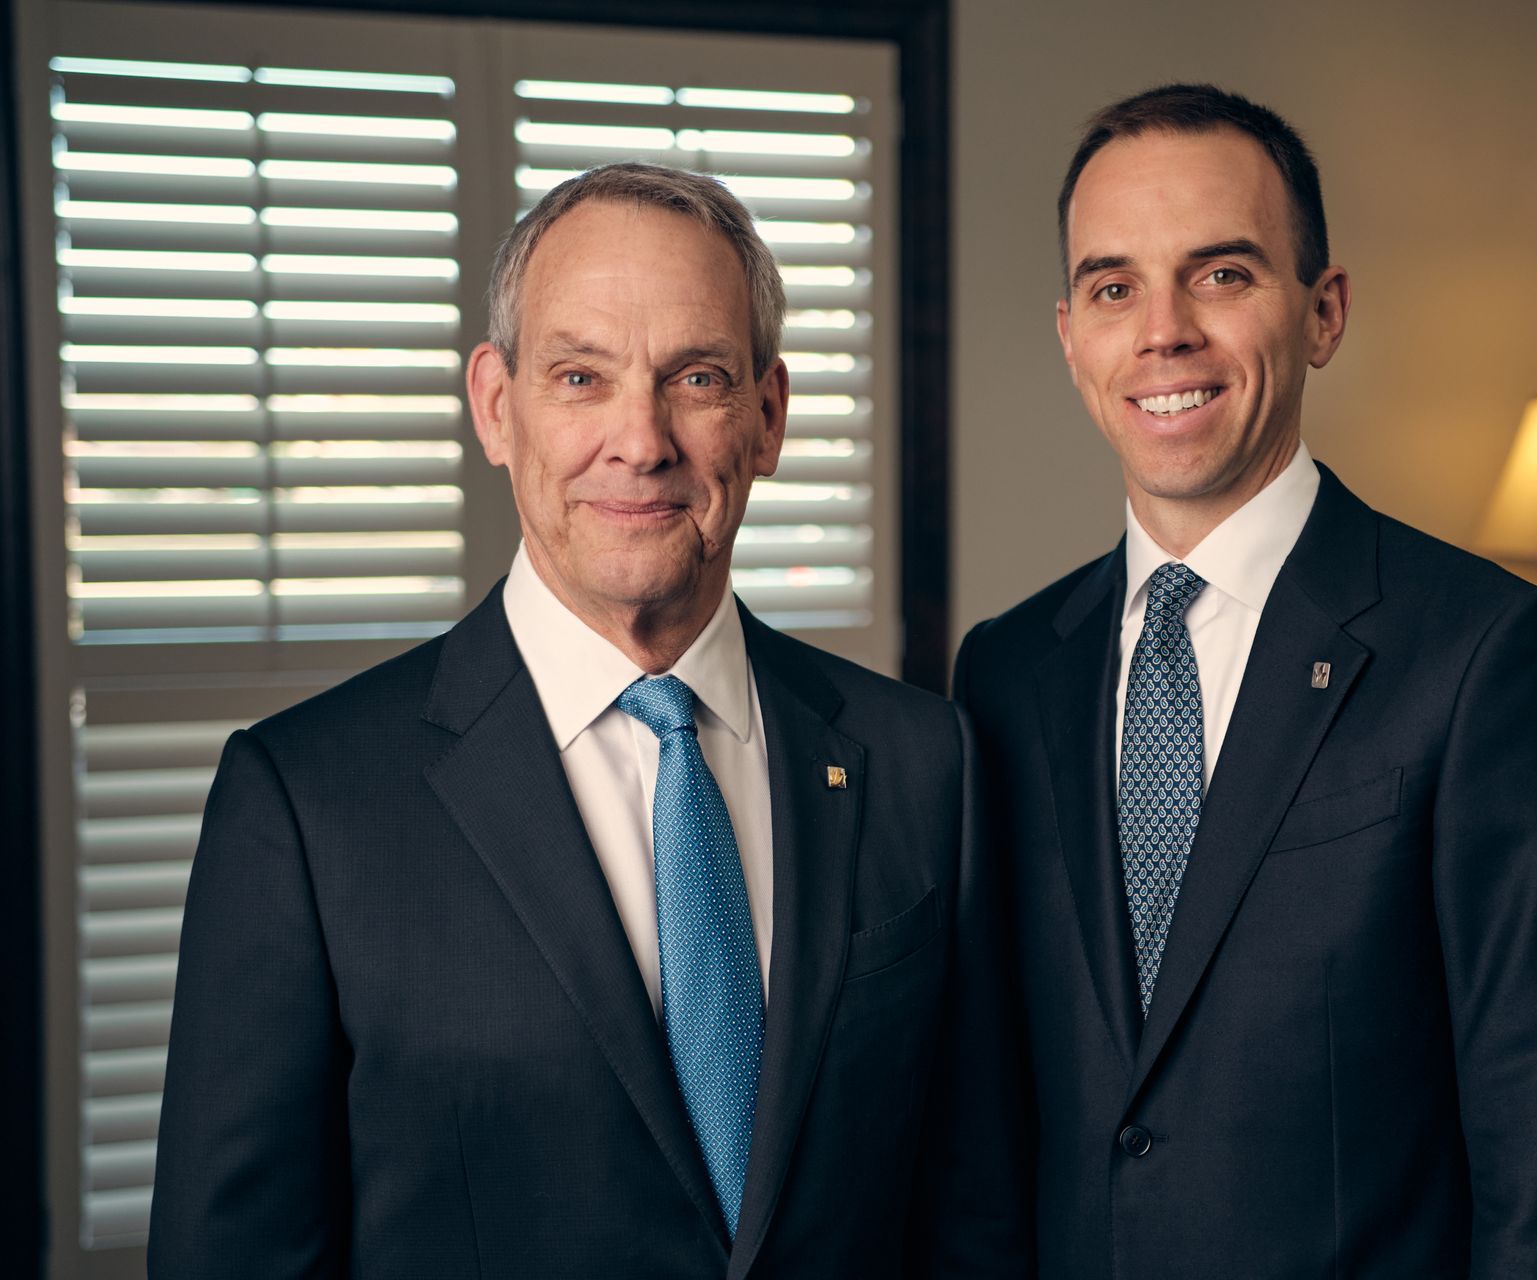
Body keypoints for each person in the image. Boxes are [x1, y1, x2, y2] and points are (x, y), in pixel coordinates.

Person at [150, 162, 1028, 1278]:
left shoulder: (923, 762)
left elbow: (974, 1222)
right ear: (495, 404)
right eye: (580, 376)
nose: (641, 440)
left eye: (697, 377)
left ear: (767, 417)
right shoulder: (304, 804)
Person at [953, 84, 1537, 1278]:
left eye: (1221, 274)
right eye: (1115, 288)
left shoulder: (1491, 654)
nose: (1164, 332)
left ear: (1323, 311)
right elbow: (987, 1118)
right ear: (1072, 336)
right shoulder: (1007, 671)